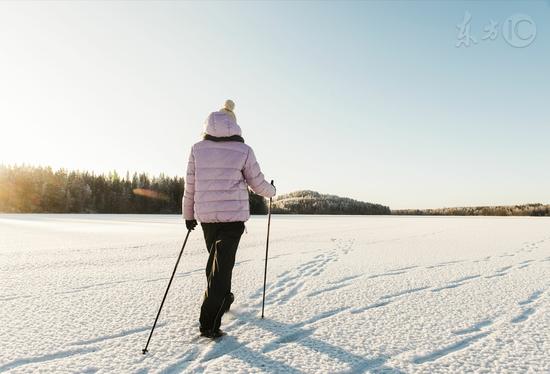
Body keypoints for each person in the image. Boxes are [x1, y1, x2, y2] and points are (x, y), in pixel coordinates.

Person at [183, 99, 276, 339]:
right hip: (233, 218)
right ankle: (209, 322)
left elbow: (190, 186)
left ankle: (223, 299)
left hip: (207, 218)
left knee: (217, 263)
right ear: (234, 124)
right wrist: (272, 191)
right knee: (221, 267)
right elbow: (257, 184)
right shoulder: (244, 150)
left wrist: (188, 215)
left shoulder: (197, 149)